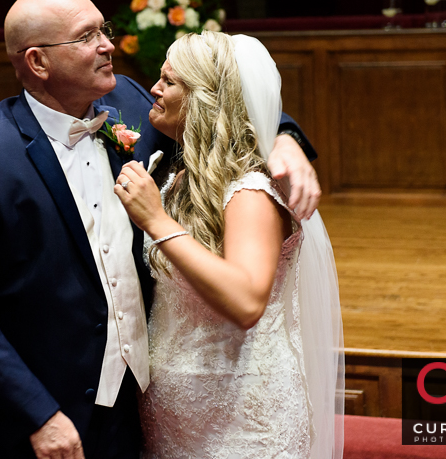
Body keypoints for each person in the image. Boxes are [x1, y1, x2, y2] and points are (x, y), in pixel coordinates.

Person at [0, 0, 321, 459]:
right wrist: (37, 413)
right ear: (38, 61)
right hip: (37, 421)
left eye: (103, 29)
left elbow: (227, 98)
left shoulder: (132, 104)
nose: (109, 44)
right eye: (86, 36)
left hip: (136, 412)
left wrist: (284, 136)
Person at [113, 31, 344, 458]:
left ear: (204, 98)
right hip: (175, 416)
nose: (154, 90)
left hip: (242, 419)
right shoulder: (180, 178)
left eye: (169, 81)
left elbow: (246, 302)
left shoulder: (250, 191)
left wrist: (156, 221)